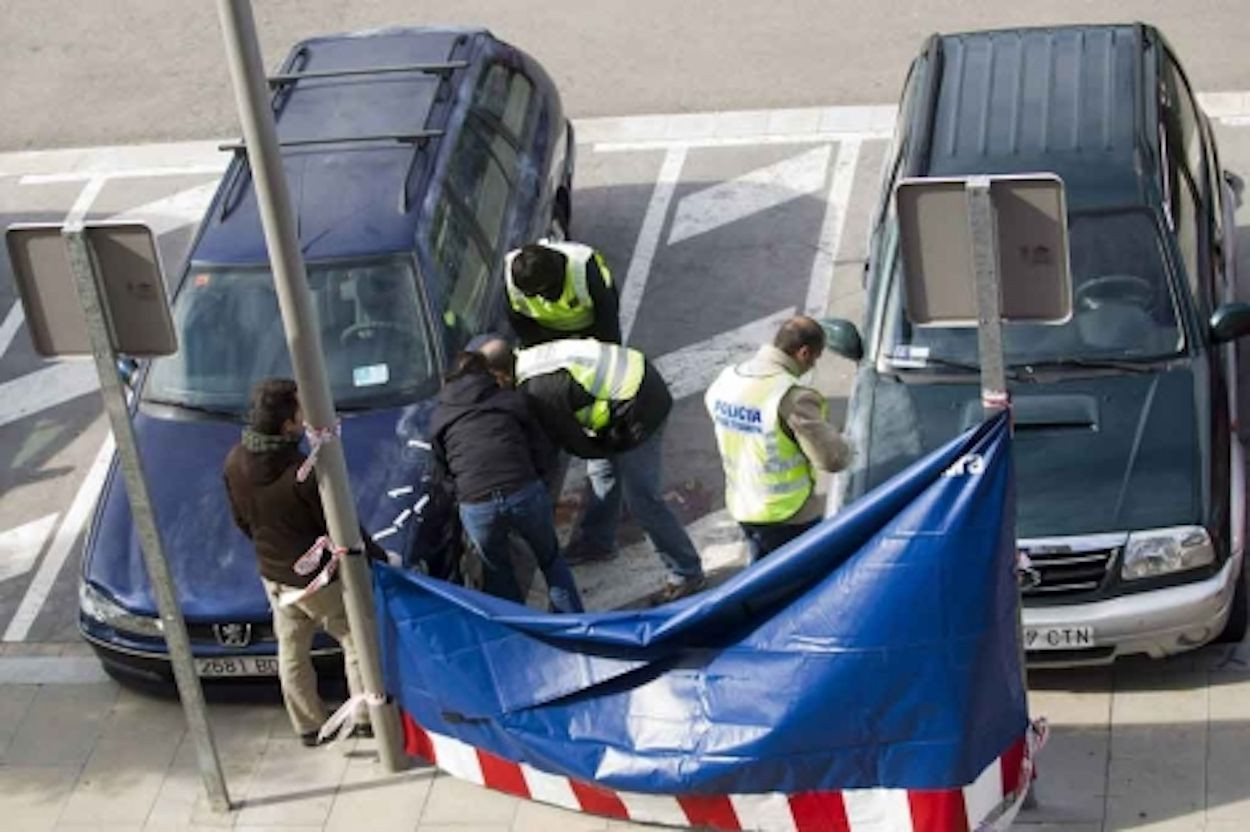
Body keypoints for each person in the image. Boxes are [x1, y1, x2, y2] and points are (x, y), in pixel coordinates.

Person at [478, 335, 706, 603]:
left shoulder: (538, 388)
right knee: (602, 471)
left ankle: (687, 572)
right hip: (630, 384)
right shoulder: (528, 358)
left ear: (500, 374)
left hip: (640, 406)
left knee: (643, 500)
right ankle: (597, 542)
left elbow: (572, 443)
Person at [222, 378, 376, 747]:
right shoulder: (301, 475)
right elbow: (337, 525)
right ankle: (366, 718)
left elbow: (242, 521)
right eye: (301, 411)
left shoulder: (235, 461)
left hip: (273, 574)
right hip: (316, 580)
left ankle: (308, 724)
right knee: (355, 639)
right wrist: (375, 556)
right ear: (288, 424)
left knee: (291, 648)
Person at [428, 349, 584, 613]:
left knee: (498, 573)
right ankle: (577, 628)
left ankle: (522, 638)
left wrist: (465, 496)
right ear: (486, 374)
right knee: (550, 560)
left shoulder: (440, 417)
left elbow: (443, 471)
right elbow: (541, 449)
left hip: (477, 504)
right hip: (522, 489)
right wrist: (539, 485)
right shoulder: (510, 400)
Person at [704, 316, 853, 561]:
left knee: (761, 579)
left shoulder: (728, 379)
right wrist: (848, 444)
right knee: (805, 583)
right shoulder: (792, 398)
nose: (812, 366)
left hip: (743, 505)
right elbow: (832, 459)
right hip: (789, 515)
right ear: (804, 353)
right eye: (815, 359)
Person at [504, 240, 621, 347]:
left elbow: (608, 320)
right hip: (548, 334)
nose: (542, 298)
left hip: (593, 326)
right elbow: (523, 328)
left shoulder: (584, 268)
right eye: (532, 294)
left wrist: (606, 349)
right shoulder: (515, 284)